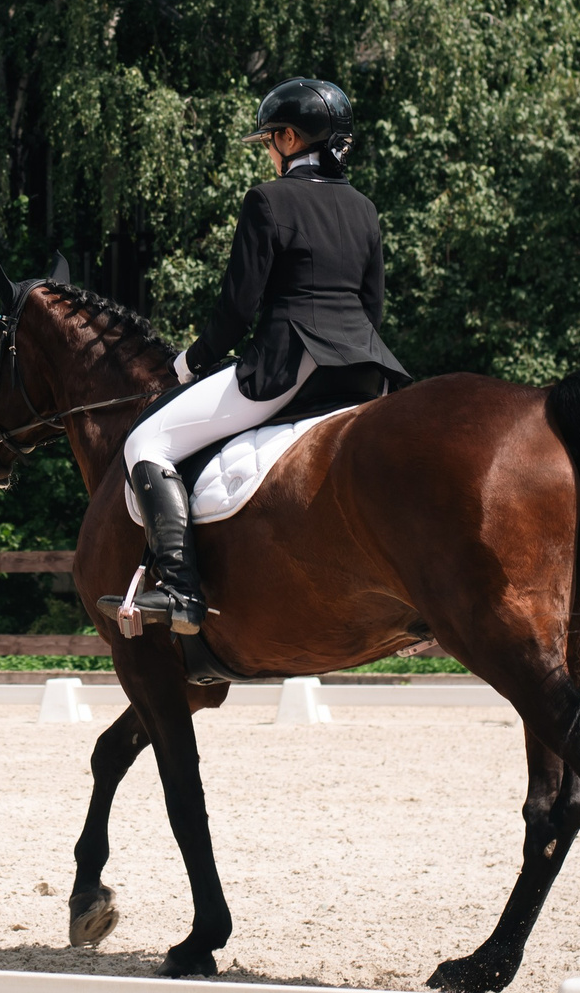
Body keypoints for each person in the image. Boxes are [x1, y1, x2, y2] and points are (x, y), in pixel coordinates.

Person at [114, 77, 409, 633]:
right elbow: (373, 307)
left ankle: (180, 593)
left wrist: (191, 363)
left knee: (145, 441)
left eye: (271, 140)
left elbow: (237, 308)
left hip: (290, 363)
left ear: (292, 138)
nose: (270, 152)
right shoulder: (364, 208)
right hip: (366, 371)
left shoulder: (268, 200)